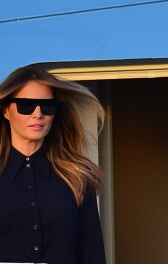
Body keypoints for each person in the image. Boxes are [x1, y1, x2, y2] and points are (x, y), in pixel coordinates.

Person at [0, 65, 106, 263]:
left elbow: (93, 253)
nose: (38, 114)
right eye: (26, 105)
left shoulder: (78, 176)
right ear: (6, 110)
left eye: (47, 106)